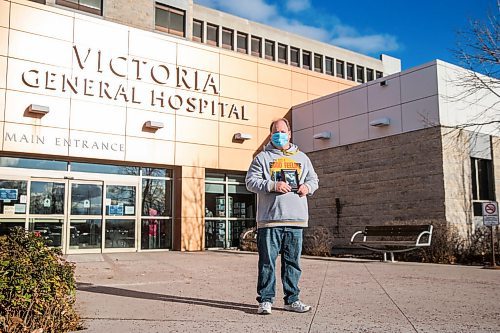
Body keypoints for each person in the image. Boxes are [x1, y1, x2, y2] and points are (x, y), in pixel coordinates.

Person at [245, 118, 319, 315]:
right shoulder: (262, 158)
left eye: (283, 131)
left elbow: (314, 179)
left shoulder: (302, 158)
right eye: (276, 131)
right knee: (267, 262)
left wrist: (307, 187)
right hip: (270, 220)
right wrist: (272, 185)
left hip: (296, 220)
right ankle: (266, 300)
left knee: (293, 263)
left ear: (290, 133)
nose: (280, 134)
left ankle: (292, 300)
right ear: (271, 135)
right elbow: (250, 182)